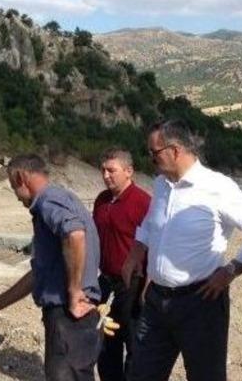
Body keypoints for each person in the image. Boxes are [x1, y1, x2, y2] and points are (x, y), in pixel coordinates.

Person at [121, 120, 242, 381]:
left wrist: (231, 270)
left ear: (175, 151)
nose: (150, 159)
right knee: (141, 374)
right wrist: (136, 253)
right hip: (156, 301)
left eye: (154, 153)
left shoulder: (217, 187)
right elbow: (150, 223)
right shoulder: (161, 184)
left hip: (200, 303)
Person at [0, 154, 103, 381]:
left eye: (12, 186)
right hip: (69, 317)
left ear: (20, 178)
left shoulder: (48, 200)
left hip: (70, 316)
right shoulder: (59, 199)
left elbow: (75, 234)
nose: (16, 197)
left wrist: (75, 291)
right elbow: (39, 274)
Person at [92, 148, 151, 381]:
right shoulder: (101, 200)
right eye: (103, 170)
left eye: (111, 170)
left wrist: (147, 287)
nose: (106, 175)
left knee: (135, 345)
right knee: (105, 344)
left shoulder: (144, 203)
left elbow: (154, 246)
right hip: (105, 283)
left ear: (129, 171)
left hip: (133, 285)